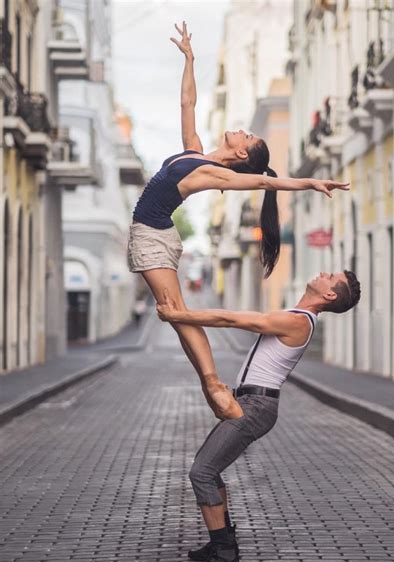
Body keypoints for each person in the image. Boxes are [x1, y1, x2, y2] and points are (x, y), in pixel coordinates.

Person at [128, 21, 350, 421]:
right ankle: (213, 385)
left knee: (176, 311)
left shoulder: (217, 175)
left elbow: (265, 180)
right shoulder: (197, 154)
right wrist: (190, 60)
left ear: (243, 155)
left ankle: (213, 385)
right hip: (158, 233)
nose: (243, 132)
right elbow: (187, 105)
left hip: (152, 235)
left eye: (248, 138)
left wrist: (309, 182)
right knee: (177, 310)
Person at [157, 270, 361, 562]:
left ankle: (224, 558)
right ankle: (220, 543)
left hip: (256, 407)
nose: (323, 272)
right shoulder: (298, 316)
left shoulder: (299, 321)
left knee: (202, 472)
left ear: (330, 295)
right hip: (250, 403)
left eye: (330, 276)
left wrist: (178, 315)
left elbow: (231, 320)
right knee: (210, 470)